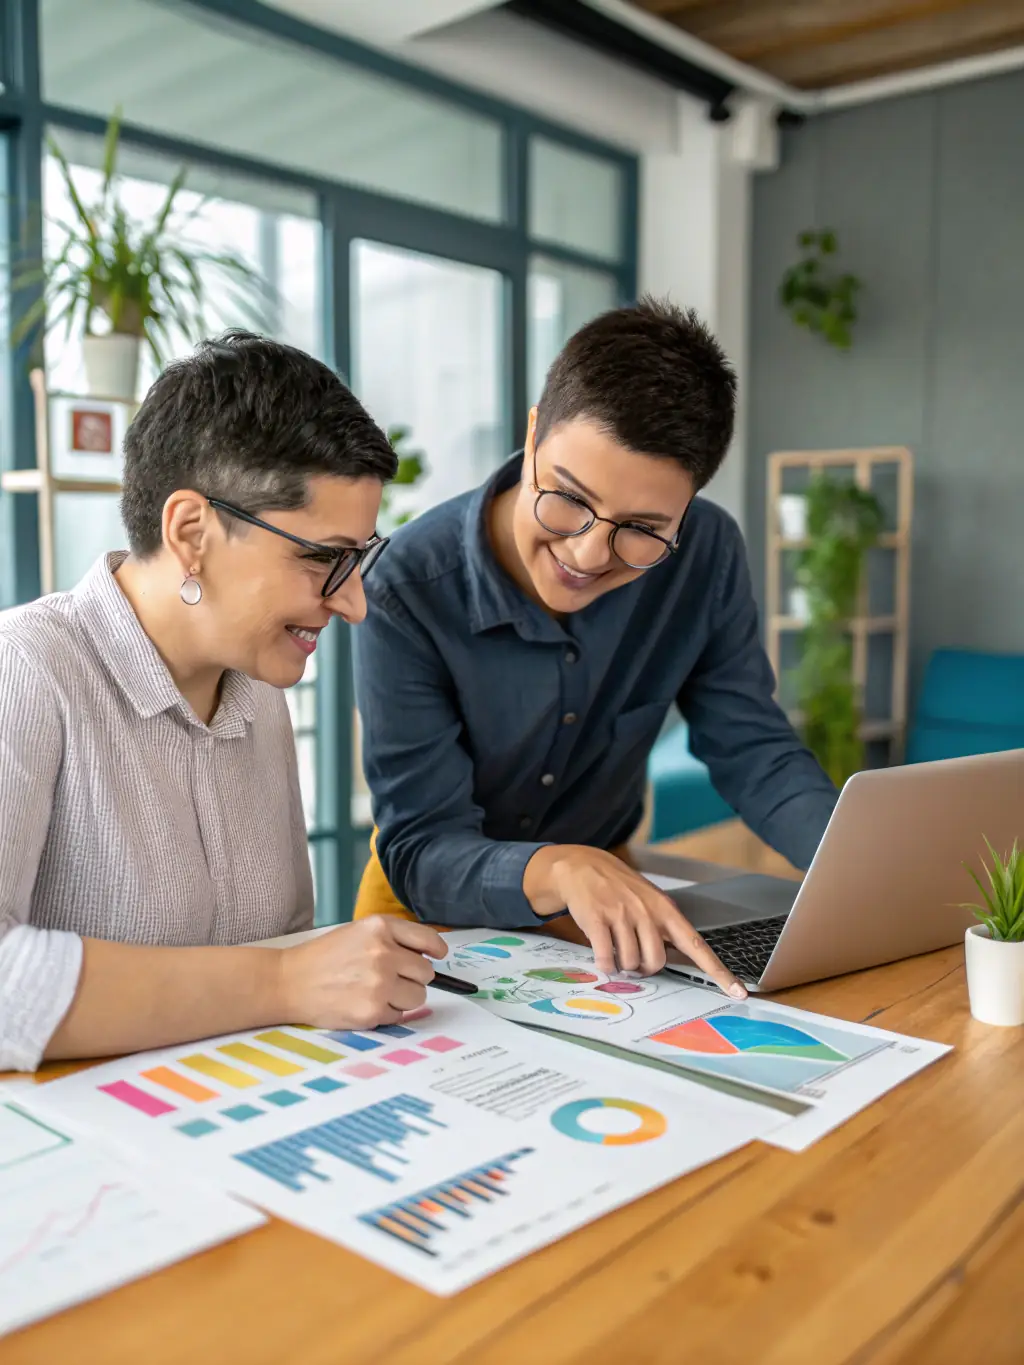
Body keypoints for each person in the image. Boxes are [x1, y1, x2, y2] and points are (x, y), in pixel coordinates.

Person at [353, 298, 838, 991]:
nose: (587, 551)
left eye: (642, 528)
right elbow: (424, 845)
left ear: (689, 504)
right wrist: (558, 867)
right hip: (432, 912)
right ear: (532, 433)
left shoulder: (704, 554)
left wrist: (861, 876)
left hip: (600, 904)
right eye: (568, 497)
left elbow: (751, 745)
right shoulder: (407, 588)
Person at [0, 332, 445, 1073]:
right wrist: (284, 980)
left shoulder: (255, 691)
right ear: (191, 532)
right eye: (323, 558)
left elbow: (282, 942)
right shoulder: (25, 669)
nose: (357, 603)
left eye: (359, 560)